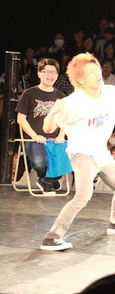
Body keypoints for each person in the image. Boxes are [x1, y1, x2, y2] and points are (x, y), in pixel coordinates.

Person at [40, 53, 115, 251]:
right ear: (81, 79)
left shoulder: (110, 93)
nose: (97, 74)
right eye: (91, 72)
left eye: (97, 69)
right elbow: (48, 128)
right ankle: (52, 237)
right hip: (82, 153)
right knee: (83, 195)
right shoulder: (73, 102)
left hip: (101, 152)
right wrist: (53, 112)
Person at [15, 57, 67, 193]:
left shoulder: (61, 96)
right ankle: (49, 180)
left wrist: (61, 135)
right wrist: (34, 136)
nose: (50, 75)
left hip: (55, 140)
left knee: (69, 161)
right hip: (34, 139)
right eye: (47, 72)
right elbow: (21, 119)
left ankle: (47, 180)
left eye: (54, 72)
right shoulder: (29, 93)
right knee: (39, 162)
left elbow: (65, 119)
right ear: (39, 73)